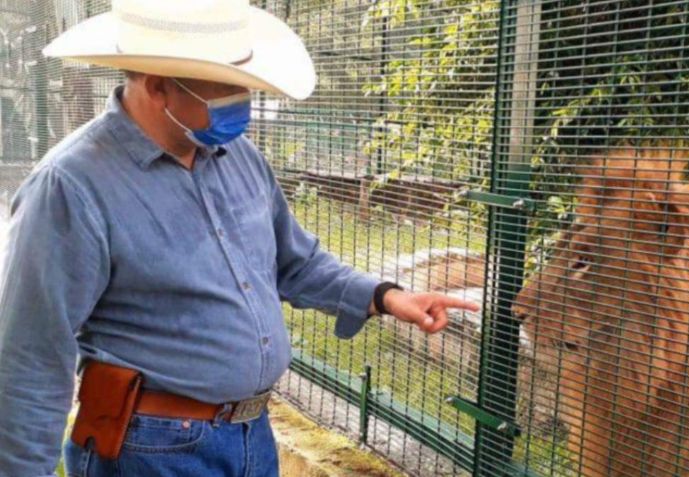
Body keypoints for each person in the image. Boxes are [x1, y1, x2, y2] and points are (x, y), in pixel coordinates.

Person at [0, 1, 479, 476]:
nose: (242, 102)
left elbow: (296, 263)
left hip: (251, 435)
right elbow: (28, 355)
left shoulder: (238, 156)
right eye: (226, 89)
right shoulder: (71, 186)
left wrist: (385, 296)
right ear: (159, 86)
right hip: (148, 449)